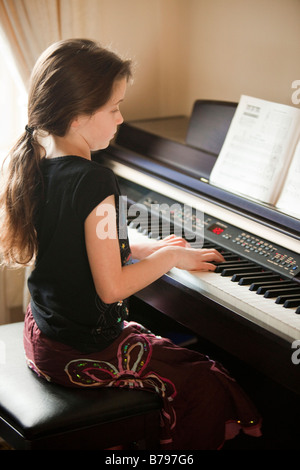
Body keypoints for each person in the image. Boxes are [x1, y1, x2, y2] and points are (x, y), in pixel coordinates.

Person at [0, 38, 261, 449]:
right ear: (77, 116)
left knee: (164, 344)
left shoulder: (40, 162)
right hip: (78, 354)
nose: (121, 118)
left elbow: (79, 242)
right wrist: (173, 255)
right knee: (205, 377)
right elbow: (112, 288)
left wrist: (146, 250)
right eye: (114, 107)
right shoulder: (95, 180)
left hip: (44, 337)